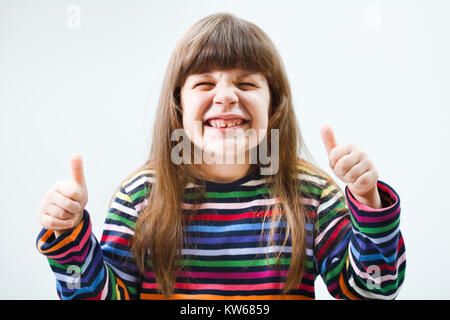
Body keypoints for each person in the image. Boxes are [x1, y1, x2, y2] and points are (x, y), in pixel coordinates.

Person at [36, 12, 405, 300]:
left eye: (246, 83)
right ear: (178, 103)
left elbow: (374, 291)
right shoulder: (139, 197)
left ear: (273, 102)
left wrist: (369, 203)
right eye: (204, 83)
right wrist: (70, 237)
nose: (226, 96)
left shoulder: (313, 196)